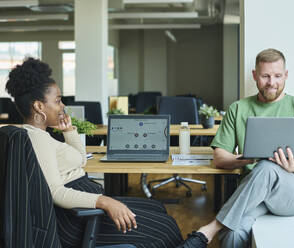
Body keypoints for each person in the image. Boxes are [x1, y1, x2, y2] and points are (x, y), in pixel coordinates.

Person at [5, 57, 183, 248]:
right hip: (74, 220)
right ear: (39, 106)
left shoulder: (40, 135)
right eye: (58, 101)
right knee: (167, 228)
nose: (63, 105)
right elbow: (55, 192)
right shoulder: (36, 139)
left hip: (83, 206)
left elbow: (80, 160)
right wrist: (105, 202)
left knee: (157, 207)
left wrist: (68, 131)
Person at [177, 48, 294, 248]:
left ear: (286, 75)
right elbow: (219, 158)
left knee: (268, 168)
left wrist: (291, 167)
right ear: (255, 76)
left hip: (292, 195)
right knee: (233, 233)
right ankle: (219, 228)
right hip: (252, 195)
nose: (272, 82)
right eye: (265, 76)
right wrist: (249, 158)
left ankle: (209, 229)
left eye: (278, 76)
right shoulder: (238, 109)